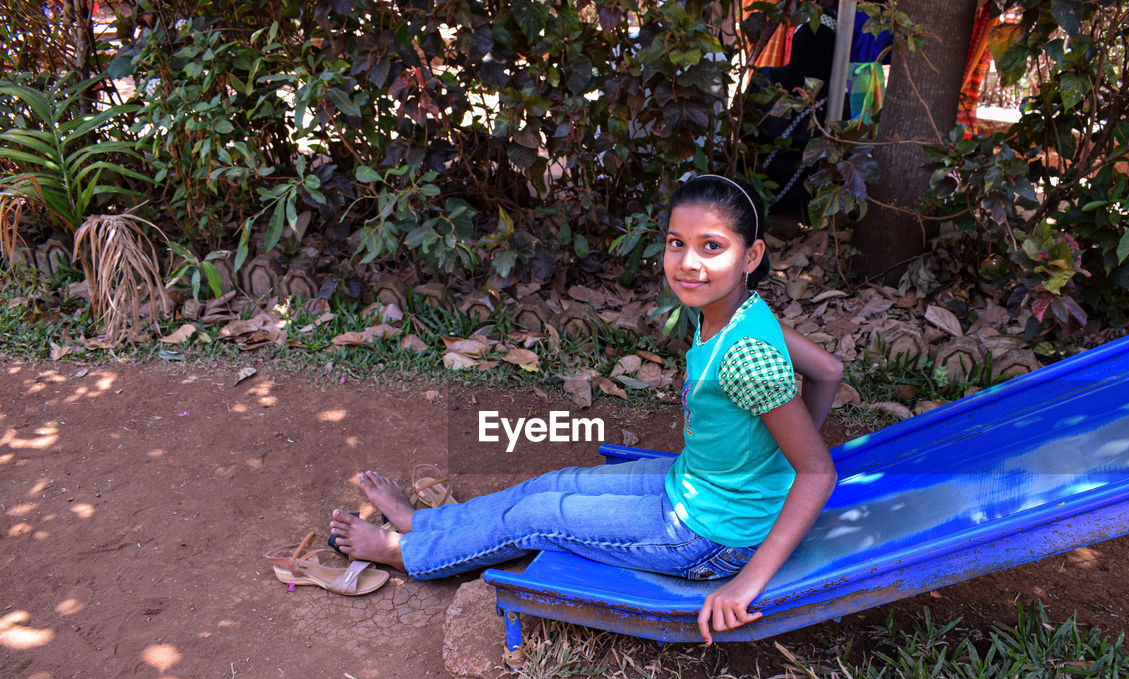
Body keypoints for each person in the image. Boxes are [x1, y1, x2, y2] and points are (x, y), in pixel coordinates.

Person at [330, 175, 841, 644]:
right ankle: (426, 524)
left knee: (536, 516)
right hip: (699, 489)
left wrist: (747, 582)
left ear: (750, 257)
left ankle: (404, 551)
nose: (688, 262)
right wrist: (774, 459)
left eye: (712, 247)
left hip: (710, 537)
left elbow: (816, 472)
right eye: (676, 243)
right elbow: (828, 370)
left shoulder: (746, 355)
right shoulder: (741, 312)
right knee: (551, 484)